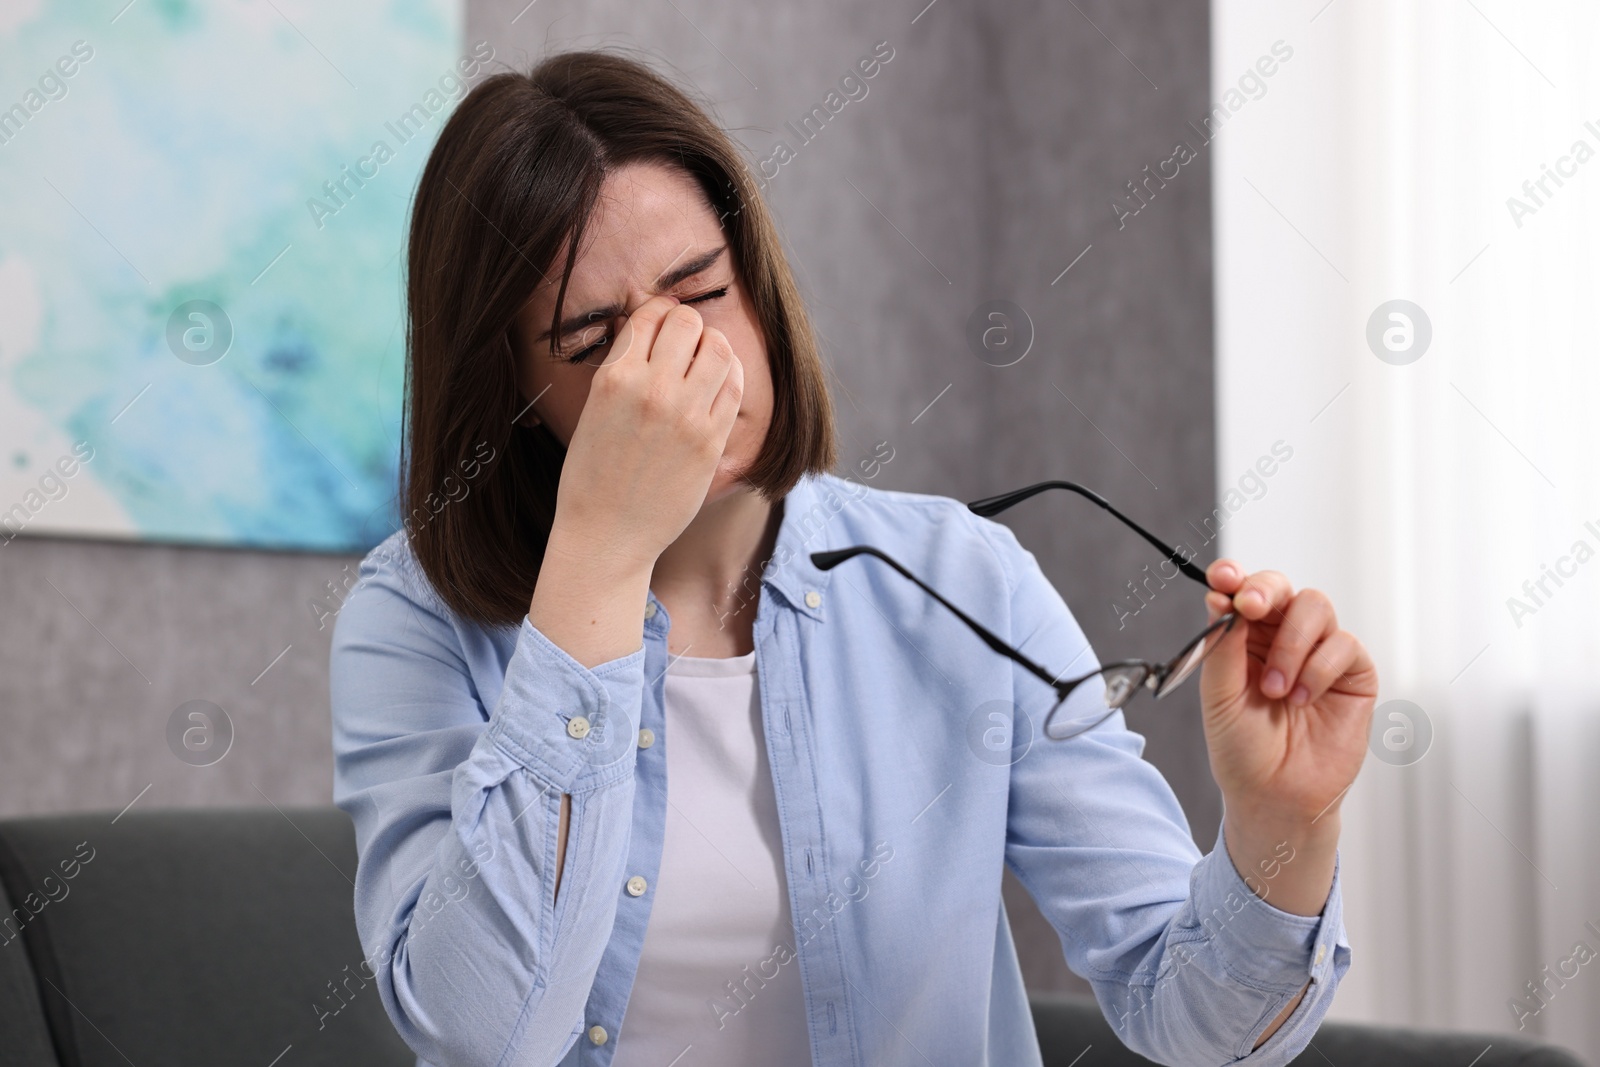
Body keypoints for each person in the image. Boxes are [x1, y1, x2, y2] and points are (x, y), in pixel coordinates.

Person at [329, 48, 1377, 1067]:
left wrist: (1283, 825)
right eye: (599, 342)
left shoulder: (967, 579)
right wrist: (600, 558)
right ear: (508, 393)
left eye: (701, 293)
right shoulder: (415, 617)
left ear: (759, 289)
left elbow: (1190, 1012)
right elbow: (479, 1032)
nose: (683, 368)